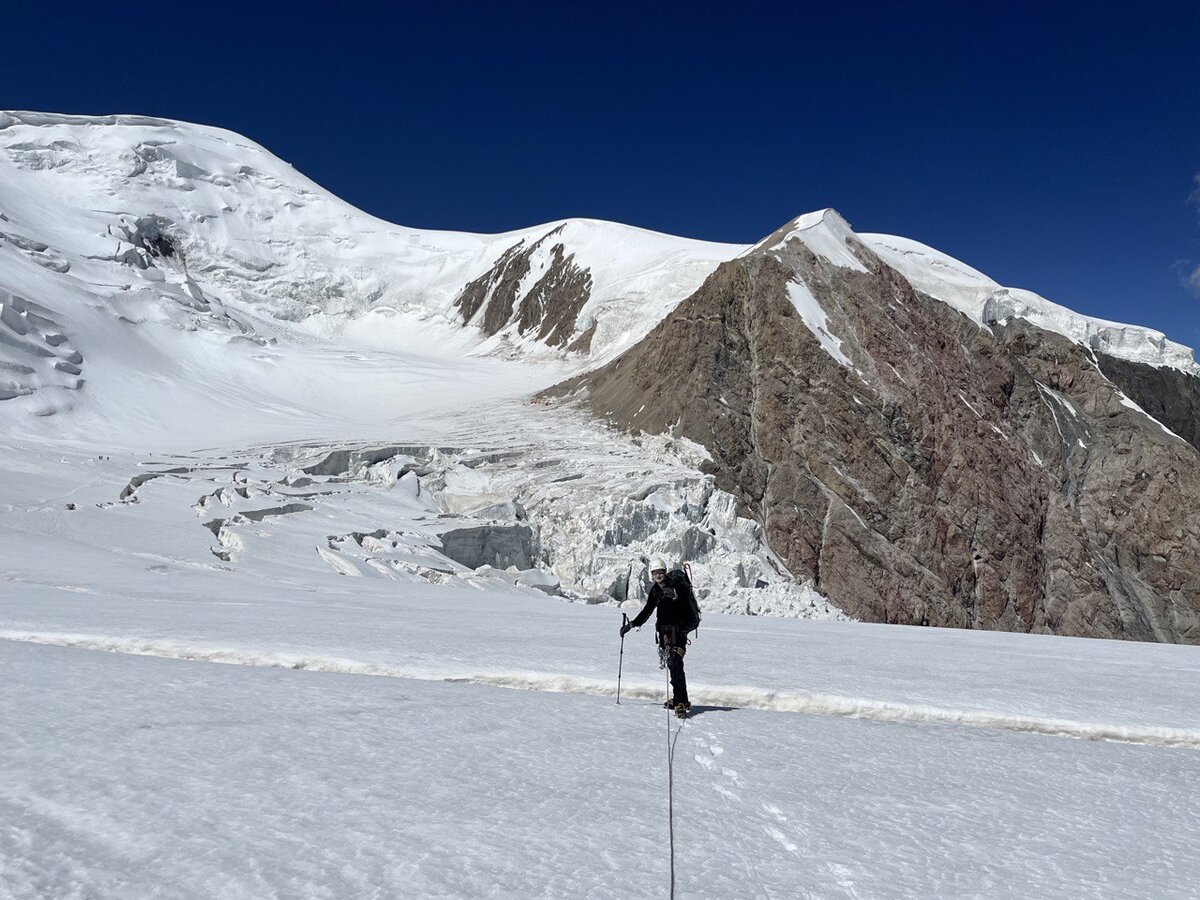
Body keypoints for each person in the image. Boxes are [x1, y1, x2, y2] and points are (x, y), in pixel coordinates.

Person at [620, 558, 699, 718]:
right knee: (672, 664)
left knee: (676, 664)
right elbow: (648, 610)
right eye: (655, 573)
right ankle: (680, 699)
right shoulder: (656, 591)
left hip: (678, 632)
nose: (658, 575)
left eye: (660, 572)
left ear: (665, 572)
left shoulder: (677, 584)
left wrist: (675, 596)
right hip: (664, 634)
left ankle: (680, 702)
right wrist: (632, 625)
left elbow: (684, 600)